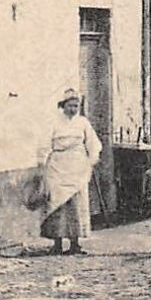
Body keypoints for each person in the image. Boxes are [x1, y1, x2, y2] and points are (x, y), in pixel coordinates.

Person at [39, 88, 102, 255]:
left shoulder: (83, 123)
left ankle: (75, 243)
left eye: (76, 106)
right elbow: (45, 145)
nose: (74, 109)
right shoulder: (53, 122)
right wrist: (42, 164)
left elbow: (93, 143)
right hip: (58, 165)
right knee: (57, 205)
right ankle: (57, 244)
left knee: (76, 204)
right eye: (71, 106)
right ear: (63, 105)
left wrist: (91, 159)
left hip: (77, 166)